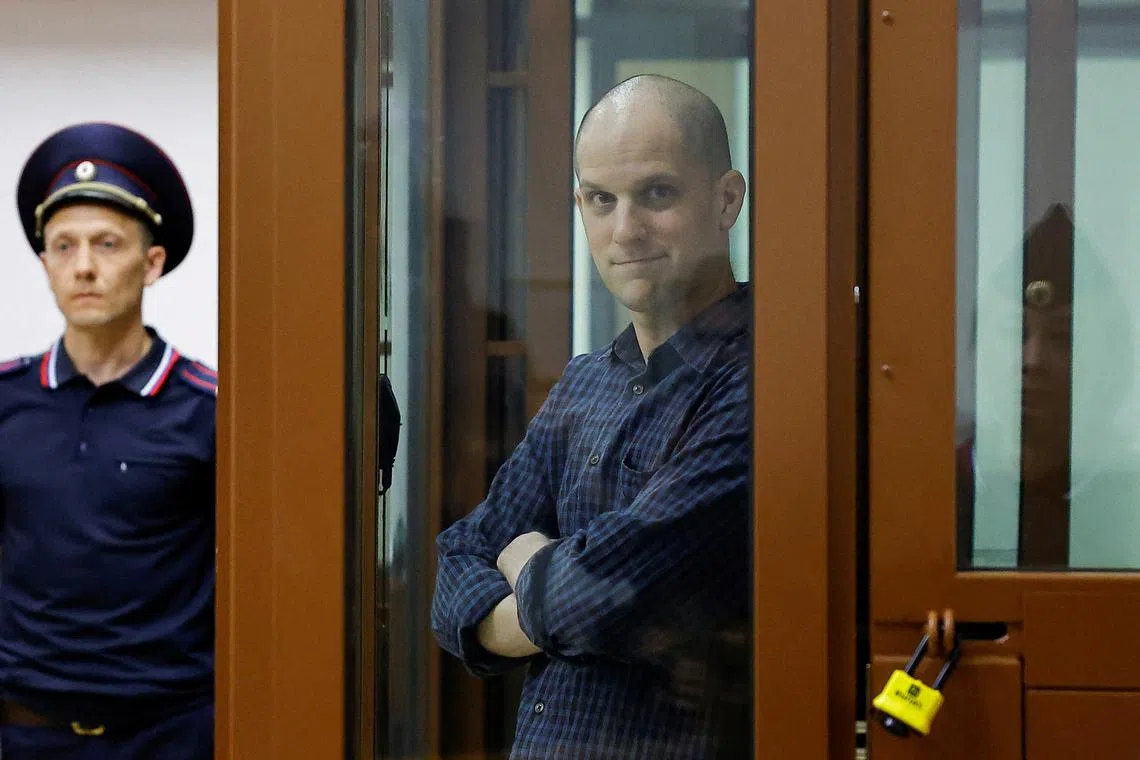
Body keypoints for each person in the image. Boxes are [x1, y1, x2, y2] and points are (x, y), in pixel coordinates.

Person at [431, 75, 752, 758]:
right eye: (601, 200)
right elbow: (459, 560)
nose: (625, 229)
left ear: (727, 199)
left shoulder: (764, 380)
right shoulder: (585, 383)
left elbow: (606, 592)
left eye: (657, 194)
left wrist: (525, 558)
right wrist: (548, 587)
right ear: (579, 207)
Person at [0, 123, 216, 758]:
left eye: (107, 244)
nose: (84, 266)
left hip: (172, 736)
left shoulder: (207, 409)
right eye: (63, 246)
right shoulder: (7, 403)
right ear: (44, 263)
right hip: (28, 734)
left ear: (152, 263)